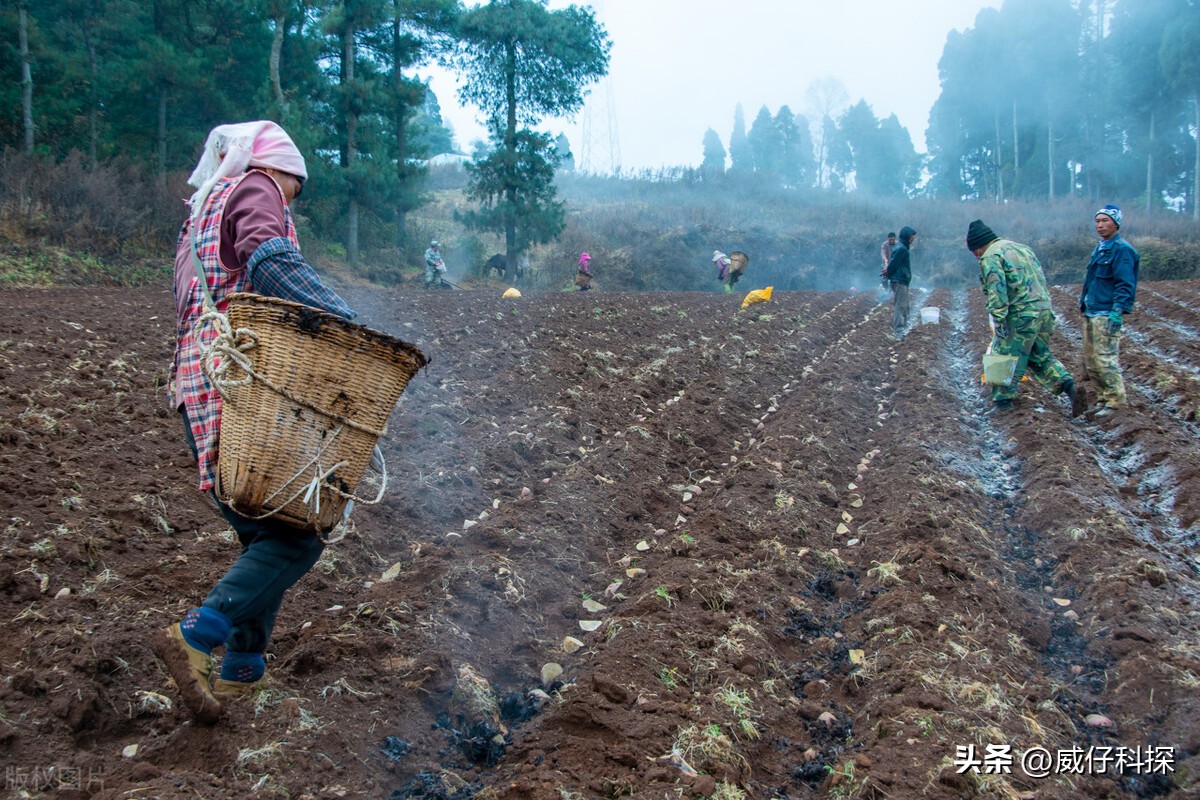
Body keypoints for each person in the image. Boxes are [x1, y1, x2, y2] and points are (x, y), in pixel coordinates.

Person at [159, 120, 357, 723]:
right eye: (293, 188)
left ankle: (243, 670)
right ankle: (198, 634)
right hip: (242, 383)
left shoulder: (202, 209)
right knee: (298, 534)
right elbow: (267, 256)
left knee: (260, 527)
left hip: (202, 380)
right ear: (277, 169)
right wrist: (341, 317)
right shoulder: (254, 186)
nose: (289, 199)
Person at [967, 220, 1087, 417]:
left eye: (974, 252)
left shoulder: (990, 256)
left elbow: (997, 290)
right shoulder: (1023, 249)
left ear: (978, 247)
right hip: (1044, 311)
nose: (975, 256)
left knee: (1002, 355)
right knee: (1039, 355)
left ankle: (1003, 404)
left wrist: (998, 320)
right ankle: (1070, 387)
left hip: (1020, 315)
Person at [1079, 205, 1139, 418]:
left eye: (1105, 221)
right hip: (1091, 310)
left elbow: (1125, 284)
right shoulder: (1101, 248)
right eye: (1098, 221)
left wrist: (1118, 310)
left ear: (1116, 223)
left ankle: (1115, 402)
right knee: (1091, 360)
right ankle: (1103, 398)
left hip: (1106, 312)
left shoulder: (1122, 250)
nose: (1100, 225)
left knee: (1105, 358)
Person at [884, 226, 916, 338]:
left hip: (902, 280)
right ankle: (899, 331)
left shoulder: (902, 247)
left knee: (905, 305)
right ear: (907, 236)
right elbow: (893, 264)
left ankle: (903, 328)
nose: (913, 238)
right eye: (912, 236)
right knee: (900, 305)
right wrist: (887, 273)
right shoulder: (901, 249)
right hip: (899, 280)